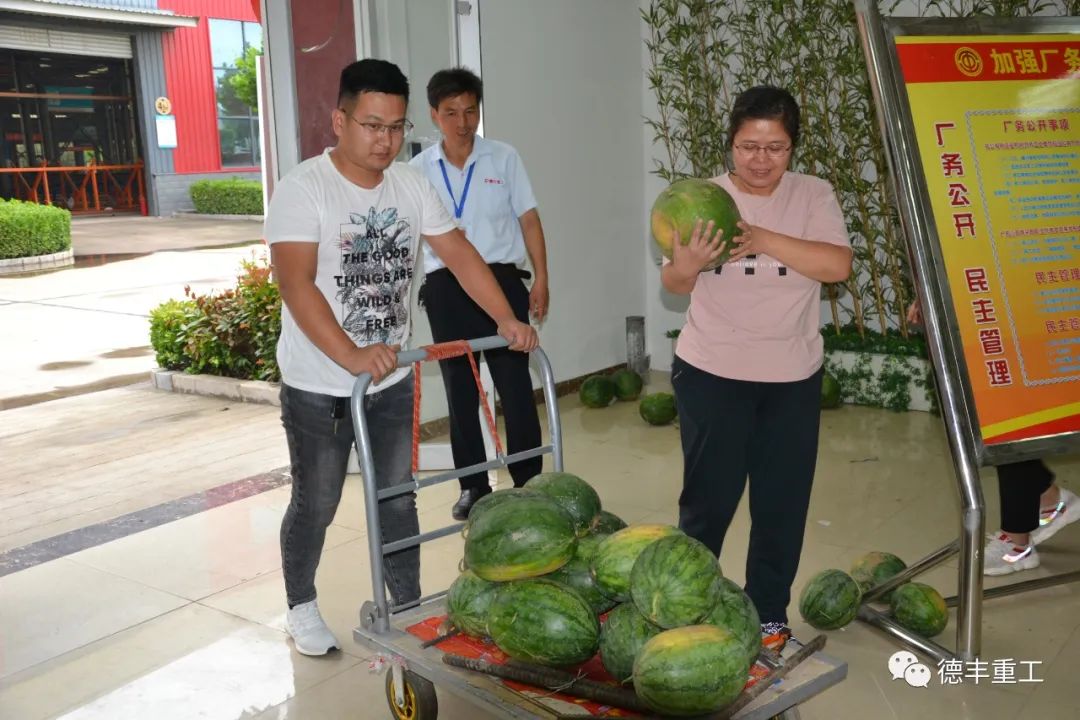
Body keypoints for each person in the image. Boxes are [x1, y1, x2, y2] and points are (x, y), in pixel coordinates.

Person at [264, 59, 538, 656]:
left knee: (396, 496)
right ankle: (300, 604)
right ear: (340, 121)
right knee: (319, 501)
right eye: (371, 125)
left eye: (395, 127)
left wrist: (506, 319)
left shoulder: (411, 185)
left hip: (388, 378)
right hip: (319, 383)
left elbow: (459, 254)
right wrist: (351, 354)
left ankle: (408, 604)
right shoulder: (303, 188)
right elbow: (296, 284)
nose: (385, 140)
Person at [661, 86, 853, 650]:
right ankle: (685, 606)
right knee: (708, 502)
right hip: (712, 372)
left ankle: (769, 611)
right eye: (748, 146)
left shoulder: (813, 194)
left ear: (793, 147)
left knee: (781, 502)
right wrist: (687, 264)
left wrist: (761, 238)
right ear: (731, 144)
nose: (761, 160)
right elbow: (674, 284)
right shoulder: (698, 198)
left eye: (775, 147)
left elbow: (837, 265)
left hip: (791, 377)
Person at [409, 67, 549, 520]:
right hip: (446, 287)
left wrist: (541, 278)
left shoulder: (503, 158)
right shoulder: (416, 171)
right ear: (434, 115)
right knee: (460, 393)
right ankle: (473, 486)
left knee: (515, 387)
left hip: (503, 280)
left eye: (470, 111)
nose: (462, 122)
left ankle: (529, 482)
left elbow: (529, 219)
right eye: (451, 113)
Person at [905, 301, 1078, 576]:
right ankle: (1048, 499)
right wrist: (932, 295)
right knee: (999, 407)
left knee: (1007, 413)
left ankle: (1019, 543)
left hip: (1027, 302)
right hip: (998, 303)